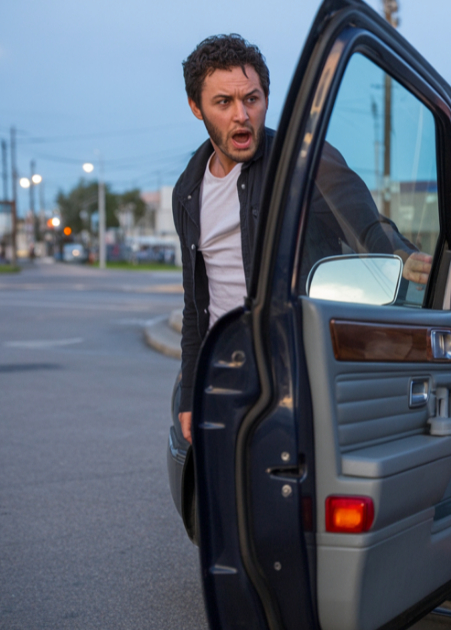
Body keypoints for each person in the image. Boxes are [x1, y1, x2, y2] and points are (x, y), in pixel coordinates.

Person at [173, 34, 431, 442]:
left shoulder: (303, 160)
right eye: (224, 102)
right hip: (221, 371)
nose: (242, 115)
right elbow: (195, 306)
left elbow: (364, 222)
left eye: (252, 99)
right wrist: (189, 392)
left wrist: (400, 254)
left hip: (292, 370)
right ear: (196, 108)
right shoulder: (187, 190)